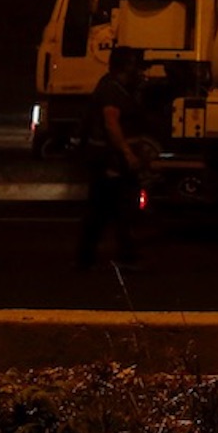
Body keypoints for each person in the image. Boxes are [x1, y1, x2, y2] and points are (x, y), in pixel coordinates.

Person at [74, 45, 147, 270]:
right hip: (109, 160)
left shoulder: (119, 88)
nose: (140, 70)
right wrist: (127, 153)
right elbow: (111, 124)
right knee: (111, 207)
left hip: (111, 159)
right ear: (126, 66)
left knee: (109, 208)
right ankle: (114, 256)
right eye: (135, 64)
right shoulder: (111, 90)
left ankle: (92, 256)